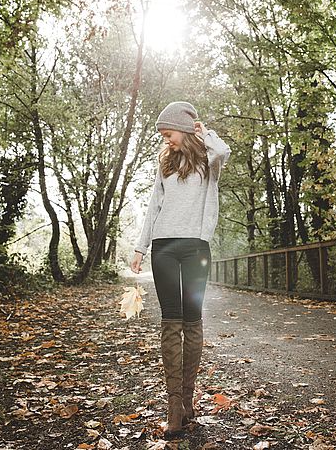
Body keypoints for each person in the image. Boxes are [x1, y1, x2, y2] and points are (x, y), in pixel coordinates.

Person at [130, 101, 231, 438]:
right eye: (162, 134)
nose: (165, 139)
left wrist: (203, 132)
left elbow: (223, 150)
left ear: (184, 130)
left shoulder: (207, 160)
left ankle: (187, 399)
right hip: (164, 248)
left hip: (195, 248)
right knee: (170, 323)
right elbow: (153, 207)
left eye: (168, 133)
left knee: (193, 321)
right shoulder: (164, 164)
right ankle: (175, 405)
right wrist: (140, 247)